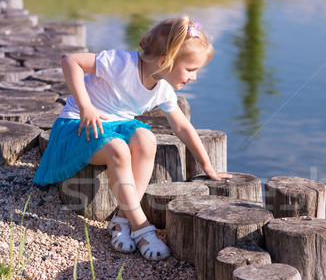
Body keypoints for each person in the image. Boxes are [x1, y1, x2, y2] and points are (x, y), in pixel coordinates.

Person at [34, 16, 231, 261]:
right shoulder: (121, 63)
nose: (194, 77)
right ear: (165, 61)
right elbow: (70, 61)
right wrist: (86, 106)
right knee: (118, 149)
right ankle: (141, 226)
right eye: (191, 69)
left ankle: (120, 220)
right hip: (80, 123)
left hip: (117, 124)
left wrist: (207, 165)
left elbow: (183, 127)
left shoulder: (162, 89)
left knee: (147, 139)